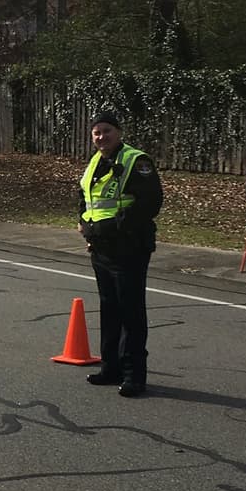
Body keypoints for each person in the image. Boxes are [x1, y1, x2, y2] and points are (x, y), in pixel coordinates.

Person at [78, 109, 163, 397]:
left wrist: (115, 229)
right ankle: (110, 367)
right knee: (109, 309)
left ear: (119, 132)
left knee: (131, 312)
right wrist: (85, 226)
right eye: (97, 132)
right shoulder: (95, 163)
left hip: (129, 247)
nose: (101, 137)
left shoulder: (136, 161)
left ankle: (133, 375)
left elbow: (149, 203)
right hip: (101, 249)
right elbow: (85, 198)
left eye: (107, 131)